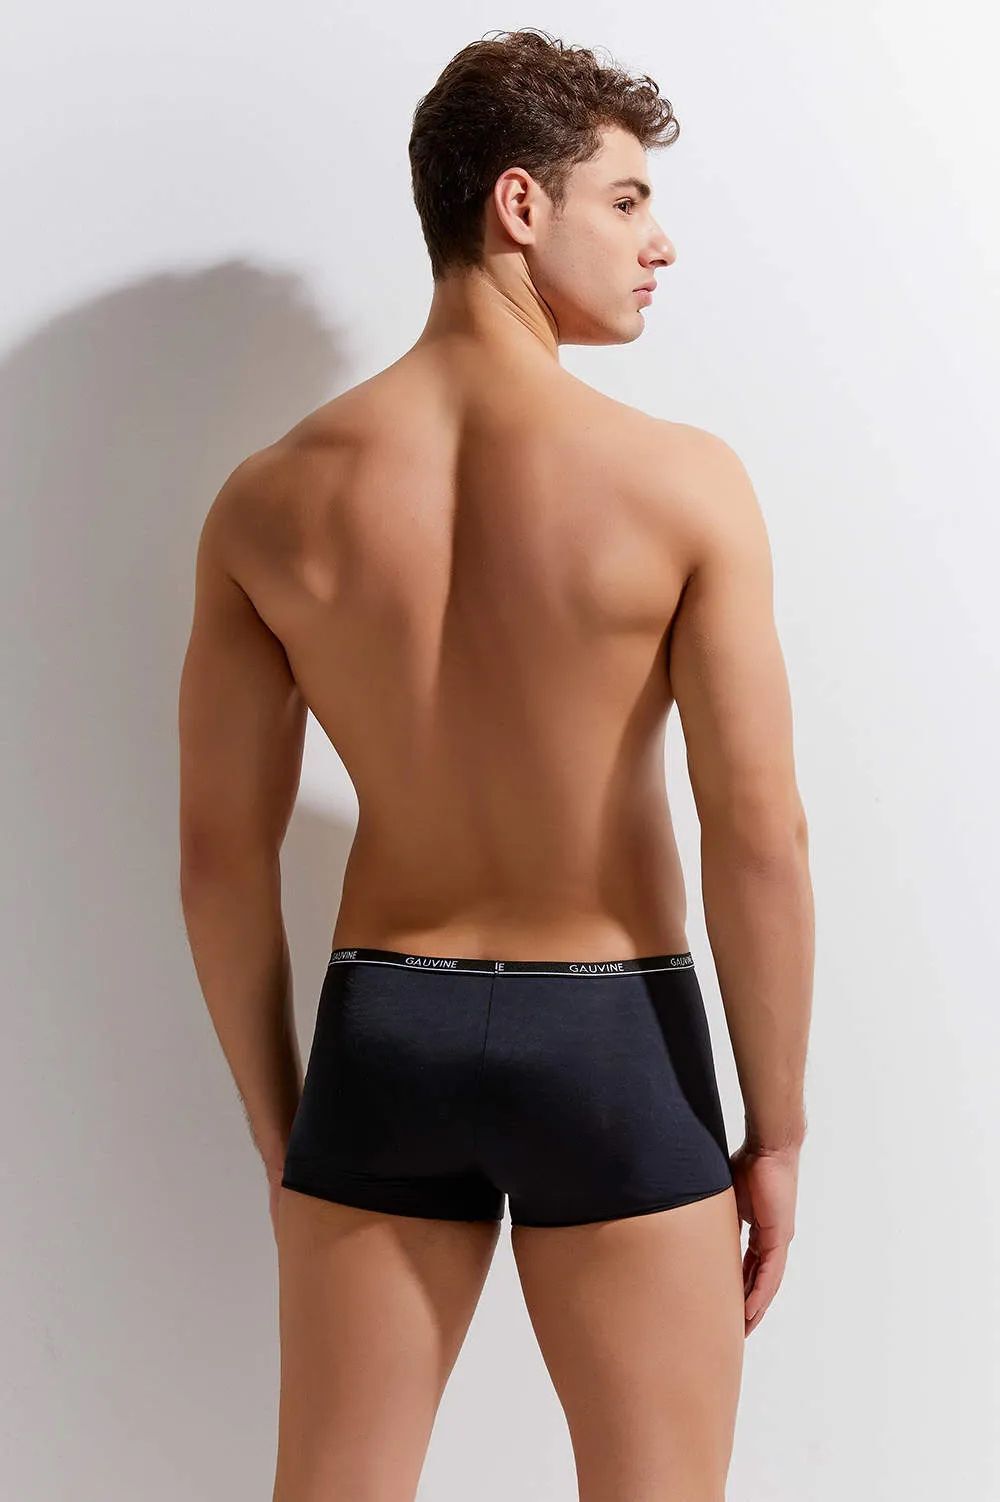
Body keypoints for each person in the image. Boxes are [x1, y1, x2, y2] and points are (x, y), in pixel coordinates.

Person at [178, 27, 814, 1502]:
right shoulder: (680, 482)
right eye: (628, 200)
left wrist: (289, 1127)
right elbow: (760, 834)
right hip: (615, 1040)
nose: (661, 243)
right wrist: (776, 1132)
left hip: (380, 1037)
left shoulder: (268, 503)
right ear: (519, 205)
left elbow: (218, 855)